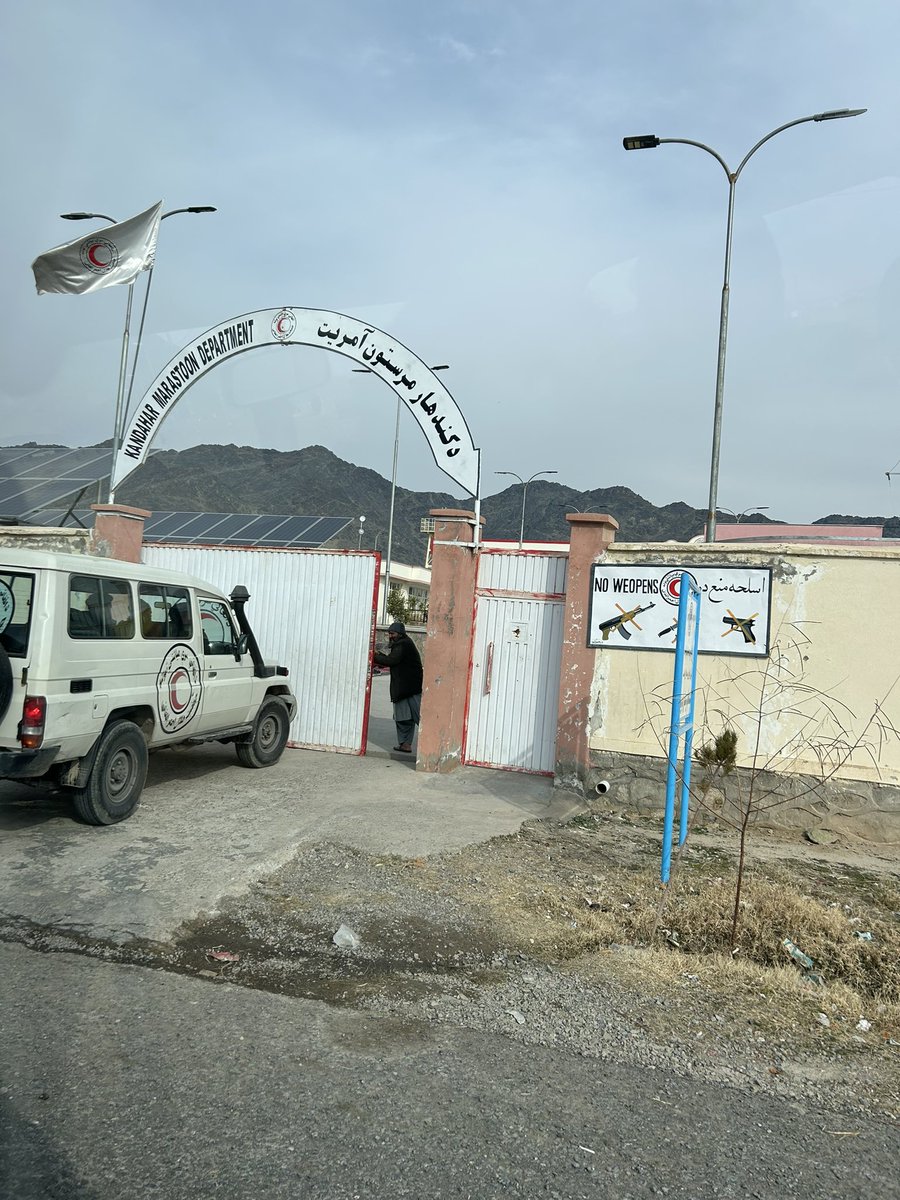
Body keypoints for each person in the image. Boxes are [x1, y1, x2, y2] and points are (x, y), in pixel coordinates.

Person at [373, 620, 423, 754]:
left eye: (393, 633)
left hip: (410, 688)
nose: (390, 636)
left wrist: (374, 656)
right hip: (405, 688)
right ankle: (405, 745)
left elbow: (392, 660)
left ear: (400, 634)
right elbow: (393, 660)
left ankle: (434, 744)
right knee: (403, 717)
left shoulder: (402, 644)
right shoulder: (403, 643)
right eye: (389, 633)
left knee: (419, 716)